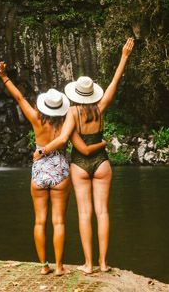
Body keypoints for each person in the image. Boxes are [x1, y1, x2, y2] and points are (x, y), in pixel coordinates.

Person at [35, 37, 135, 274]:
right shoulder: (101, 109)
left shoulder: (71, 112)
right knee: (103, 212)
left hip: (80, 165)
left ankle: (89, 265)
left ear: (76, 94)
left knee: (84, 213)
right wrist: (124, 57)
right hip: (102, 163)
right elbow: (114, 83)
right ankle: (103, 263)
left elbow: (62, 140)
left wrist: (43, 151)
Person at [0, 62, 107, 275]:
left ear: (44, 105)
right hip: (60, 171)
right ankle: (59, 267)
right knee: (59, 221)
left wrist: (4, 77)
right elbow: (76, 140)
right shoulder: (68, 119)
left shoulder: (35, 118)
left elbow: (19, 98)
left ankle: (43, 266)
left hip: (39, 170)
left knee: (39, 220)